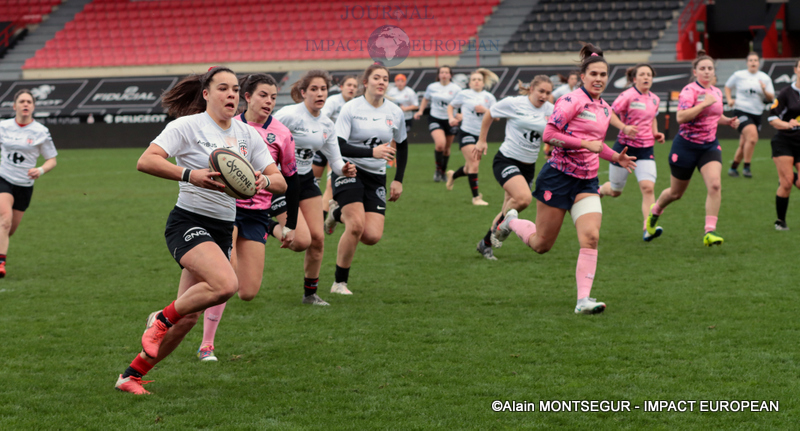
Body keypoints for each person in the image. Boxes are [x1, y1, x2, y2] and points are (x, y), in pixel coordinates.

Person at [114, 67, 286, 394]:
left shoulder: (248, 134)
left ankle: (130, 376)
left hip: (223, 228)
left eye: (235, 89)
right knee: (226, 284)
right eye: (223, 88)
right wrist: (189, 174)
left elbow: (280, 181)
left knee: (189, 318)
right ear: (206, 93)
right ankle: (160, 320)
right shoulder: (187, 126)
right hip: (189, 221)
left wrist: (260, 180)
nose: (232, 94)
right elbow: (146, 161)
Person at [494, 44, 637, 314]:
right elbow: (549, 134)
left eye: (603, 74)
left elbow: (597, 145)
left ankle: (583, 301)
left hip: (587, 182)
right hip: (557, 177)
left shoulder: (605, 109)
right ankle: (511, 221)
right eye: (593, 73)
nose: (599, 79)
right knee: (541, 245)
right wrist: (583, 143)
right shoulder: (571, 101)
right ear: (582, 76)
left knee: (591, 237)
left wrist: (615, 157)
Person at [196, 73, 298, 362]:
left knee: (248, 291)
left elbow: (290, 178)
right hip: (226, 210)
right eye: (263, 95)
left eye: (274, 97)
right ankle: (207, 344)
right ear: (248, 97)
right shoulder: (228, 126)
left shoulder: (281, 132)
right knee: (225, 277)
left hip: (257, 214)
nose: (269, 101)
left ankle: (171, 311)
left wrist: (288, 223)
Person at [324, 63, 408, 295]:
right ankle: (339, 283)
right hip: (349, 170)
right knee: (356, 226)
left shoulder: (394, 111)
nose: (381, 82)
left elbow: (402, 145)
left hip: (377, 176)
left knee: (371, 236)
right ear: (365, 83)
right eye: (377, 78)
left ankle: (335, 213)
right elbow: (338, 145)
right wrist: (372, 153)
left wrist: (398, 179)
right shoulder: (351, 109)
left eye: (385, 78)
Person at [274, 70, 357, 300]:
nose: (319, 93)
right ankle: (265, 225)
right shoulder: (288, 115)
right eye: (314, 89)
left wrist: (345, 169)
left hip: (306, 181)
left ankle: (310, 295)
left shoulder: (327, 125)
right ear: (303, 92)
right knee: (301, 241)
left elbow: (336, 160)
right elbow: (262, 139)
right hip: (280, 180)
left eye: (323, 89)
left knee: (317, 239)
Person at [645, 51, 739, 246]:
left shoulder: (717, 91)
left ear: (714, 72)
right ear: (695, 72)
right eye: (702, 69)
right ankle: (655, 213)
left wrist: (727, 121)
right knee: (675, 193)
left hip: (709, 146)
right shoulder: (689, 91)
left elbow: (714, 116)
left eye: (710, 69)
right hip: (686, 147)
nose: (706, 72)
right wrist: (704, 104)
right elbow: (681, 117)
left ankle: (709, 232)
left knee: (715, 185)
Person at [473, 75, 553, 260]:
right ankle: (503, 229)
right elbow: (490, 114)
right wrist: (482, 140)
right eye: (541, 91)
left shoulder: (551, 110)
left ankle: (485, 244)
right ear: (531, 89)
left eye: (548, 93)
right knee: (523, 199)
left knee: (508, 210)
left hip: (529, 166)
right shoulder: (514, 103)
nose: (544, 95)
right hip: (507, 160)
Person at [598, 64, 666, 241]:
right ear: (634, 78)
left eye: (649, 75)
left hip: (646, 149)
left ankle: (648, 228)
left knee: (648, 188)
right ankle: (600, 190)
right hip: (624, 149)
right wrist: (624, 127)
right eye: (642, 74)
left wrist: (655, 133)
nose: (646, 77)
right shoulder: (627, 96)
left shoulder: (655, 99)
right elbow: (610, 114)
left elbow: (652, 118)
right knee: (615, 191)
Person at [0, 89, 57, 278]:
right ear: (14, 106)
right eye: (22, 101)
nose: (26, 104)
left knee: (9, 230)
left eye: (29, 102)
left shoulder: (40, 131)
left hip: (24, 185)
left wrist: (40, 170)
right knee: (5, 220)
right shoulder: (4, 126)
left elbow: (52, 160)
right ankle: (1, 264)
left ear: (33, 107)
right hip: (4, 178)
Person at [446, 68, 498, 206]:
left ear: (483, 83)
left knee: (470, 167)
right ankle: (476, 198)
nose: (476, 82)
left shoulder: (489, 97)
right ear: (469, 83)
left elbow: (497, 117)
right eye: (474, 79)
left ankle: (453, 175)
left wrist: (486, 110)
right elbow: (451, 106)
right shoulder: (464, 94)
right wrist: (451, 118)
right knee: (474, 164)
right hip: (466, 132)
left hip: (481, 136)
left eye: (479, 80)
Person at [724, 52, 774, 178]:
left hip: (757, 113)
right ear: (747, 62)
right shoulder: (739, 75)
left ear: (759, 62)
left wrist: (763, 89)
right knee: (752, 137)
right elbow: (727, 86)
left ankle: (733, 168)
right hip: (741, 110)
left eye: (755, 60)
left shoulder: (765, 78)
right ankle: (747, 168)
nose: (753, 62)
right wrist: (729, 99)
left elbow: (771, 97)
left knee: (744, 144)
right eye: (750, 60)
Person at [318, 75, 359, 218]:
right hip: (320, 145)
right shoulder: (333, 101)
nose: (352, 88)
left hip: (336, 149)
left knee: (330, 185)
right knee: (312, 184)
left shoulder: (356, 106)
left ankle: (322, 220)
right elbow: (320, 118)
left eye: (354, 86)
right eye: (349, 85)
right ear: (341, 87)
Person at [767, 58, 800, 230]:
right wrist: (787, 125)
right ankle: (780, 221)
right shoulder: (786, 93)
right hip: (784, 141)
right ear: (795, 70)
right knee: (786, 183)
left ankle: (791, 175)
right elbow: (772, 118)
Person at [413, 66, 461, 182]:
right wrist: (420, 110)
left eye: (446, 72)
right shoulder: (432, 87)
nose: (444, 74)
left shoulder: (456, 88)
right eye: (442, 72)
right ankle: (438, 170)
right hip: (435, 118)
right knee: (440, 144)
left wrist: (460, 114)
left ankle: (443, 172)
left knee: (447, 149)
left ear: (450, 75)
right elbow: (425, 99)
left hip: (450, 120)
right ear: (438, 75)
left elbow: (462, 103)